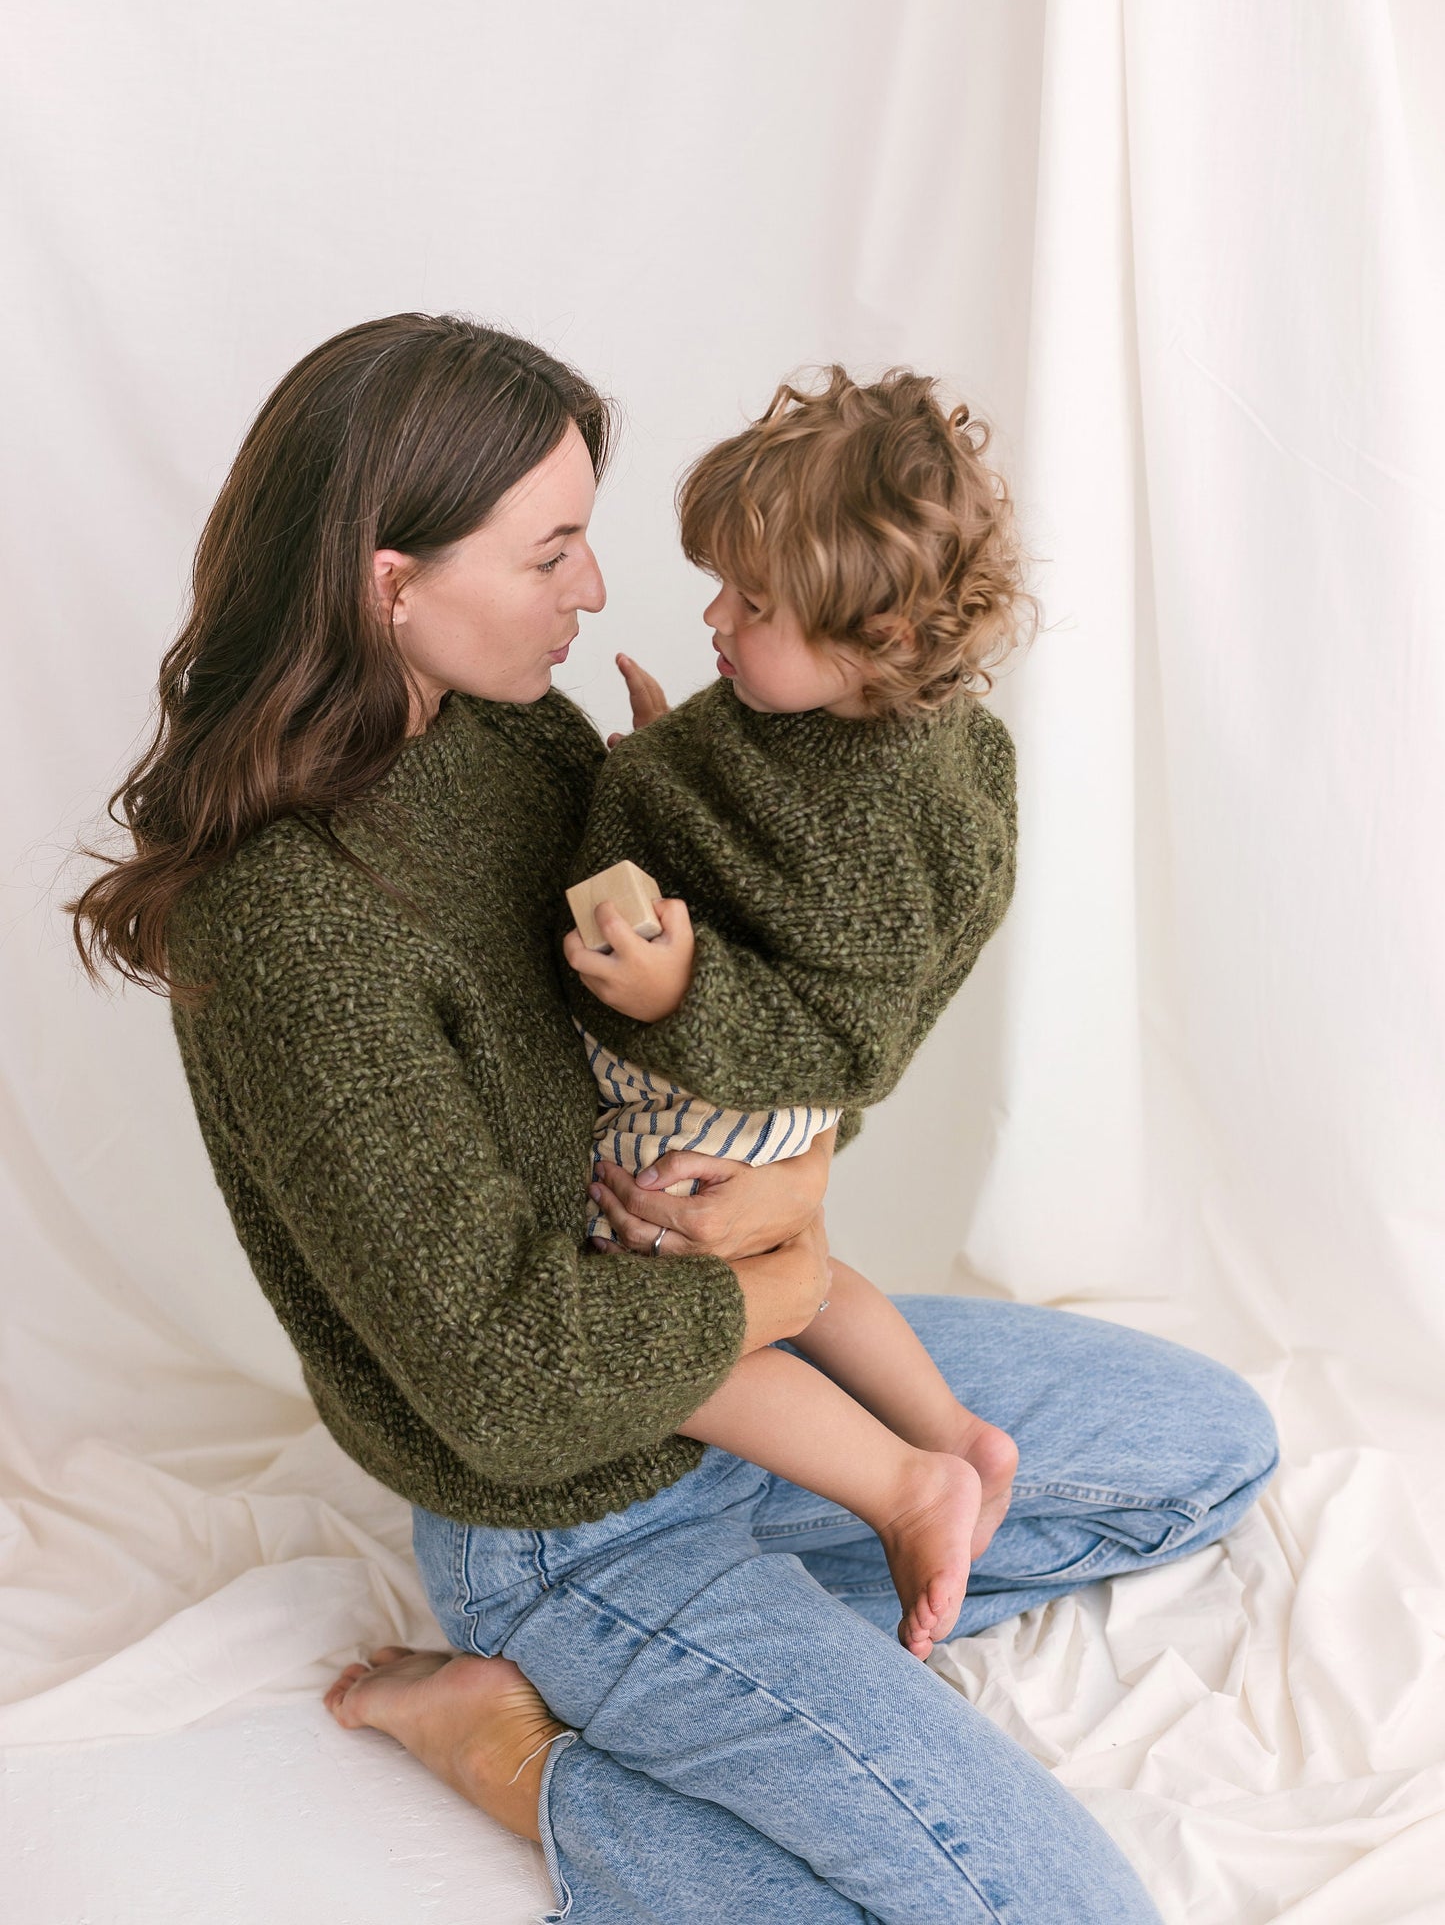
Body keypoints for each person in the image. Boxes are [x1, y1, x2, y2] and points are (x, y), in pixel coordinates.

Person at [73, 313, 1277, 1923]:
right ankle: (520, 1751)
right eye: (553, 549)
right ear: (389, 582)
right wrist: (783, 1277)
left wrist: (803, 1169)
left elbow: (703, 1034)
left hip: (734, 1376)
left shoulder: (501, 726)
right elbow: (503, 1387)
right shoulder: (293, 924)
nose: (592, 589)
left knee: (1208, 1452)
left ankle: (768, 1659)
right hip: (575, 1510)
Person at [562, 368, 1031, 1658]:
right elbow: (746, 840)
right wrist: (663, 776)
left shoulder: (875, 808)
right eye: (722, 580)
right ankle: (955, 1430)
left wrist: (679, 991)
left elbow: (848, 1023)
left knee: (649, 1318)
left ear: (873, 639)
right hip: (754, 1107)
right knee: (801, 1281)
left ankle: (904, 1482)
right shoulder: (839, 720)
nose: (713, 613)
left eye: (752, 603)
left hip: (711, 1099)